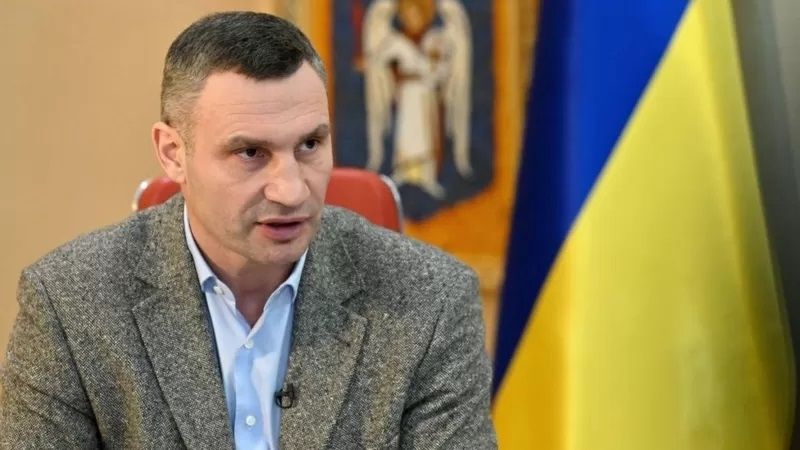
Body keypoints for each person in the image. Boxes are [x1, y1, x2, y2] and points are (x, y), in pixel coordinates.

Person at [0, 11, 496, 449]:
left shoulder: (430, 301)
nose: (291, 190)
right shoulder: (70, 303)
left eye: (309, 145)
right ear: (173, 153)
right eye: (251, 153)